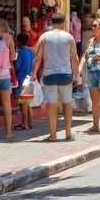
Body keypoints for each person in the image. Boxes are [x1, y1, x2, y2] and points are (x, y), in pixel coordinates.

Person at [31, 13, 79, 142]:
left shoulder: (44, 37)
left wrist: (34, 74)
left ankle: (53, 134)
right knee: (67, 103)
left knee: (51, 105)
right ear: (63, 23)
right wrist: (77, 76)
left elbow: (37, 58)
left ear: (51, 23)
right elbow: (74, 57)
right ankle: (68, 132)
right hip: (66, 74)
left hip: (49, 74)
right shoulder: (69, 37)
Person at [13, 32, 35, 130]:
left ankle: (24, 123)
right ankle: (30, 123)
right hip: (29, 78)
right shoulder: (30, 51)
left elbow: (17, 66)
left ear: (18, 42)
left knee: (23, 103)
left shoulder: (21, 52)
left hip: (21, 79)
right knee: (27, 102)